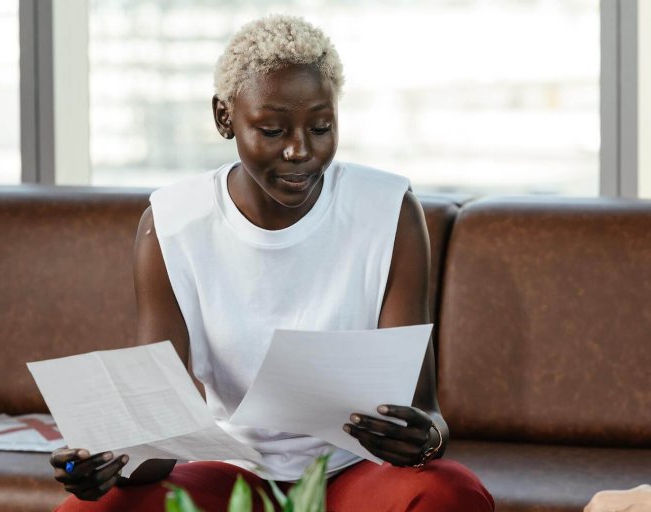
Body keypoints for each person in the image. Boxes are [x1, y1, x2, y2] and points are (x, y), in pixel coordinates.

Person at [50, 15, 495, 511]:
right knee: (88, 510)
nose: (300, 150)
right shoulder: (172, 224)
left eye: (321, 127)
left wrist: (425, 439)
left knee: (448, 492)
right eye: (272, 129)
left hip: (354, 470)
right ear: (224, 117)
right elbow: (159, 435)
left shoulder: (389, 211)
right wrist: (110, 463)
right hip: (235, 470)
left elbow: (425, 411)